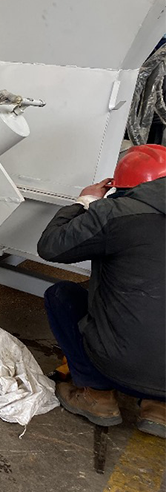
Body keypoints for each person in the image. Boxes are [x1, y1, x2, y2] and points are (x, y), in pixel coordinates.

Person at [37, 145, 166, 437]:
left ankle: (97, 395)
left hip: (120, 366)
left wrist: (86, 201)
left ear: (121, 187)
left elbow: (51, 246)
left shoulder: (117, 212)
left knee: (61, 296)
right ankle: (159, 407)